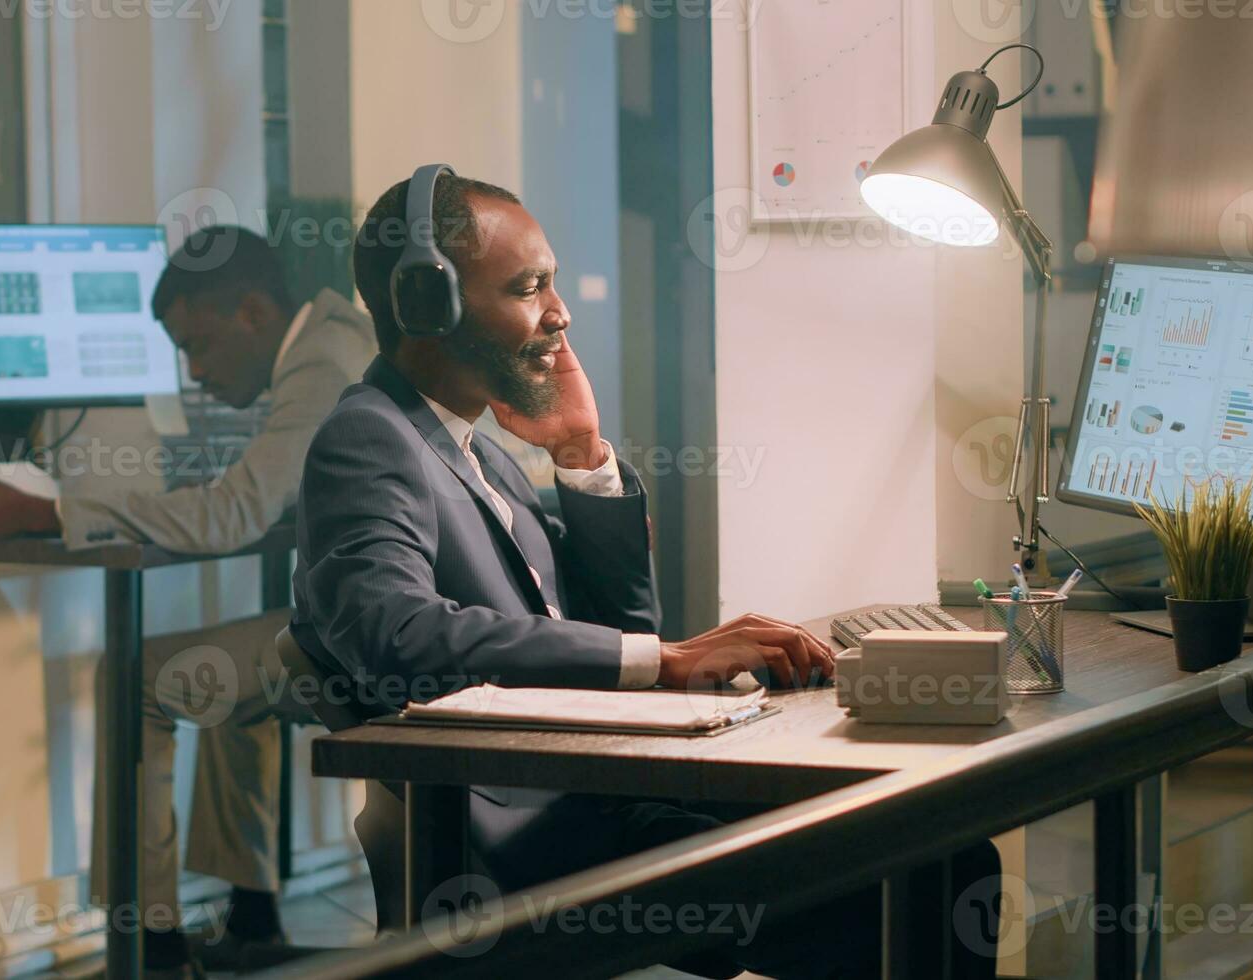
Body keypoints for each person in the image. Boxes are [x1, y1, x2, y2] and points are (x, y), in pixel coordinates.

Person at [289, 169, 999, 977]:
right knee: (933, 873)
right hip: (540, 851)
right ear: (430, 305)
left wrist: (581, 456)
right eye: (530, 288)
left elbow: (624, 619)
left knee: (942, 843)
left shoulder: (472, 447)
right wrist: (666, 660)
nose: (560, 314)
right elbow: (396, 633)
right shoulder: (369, 438)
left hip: (601, 793)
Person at [0, 226, 377, 978]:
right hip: (392, 620)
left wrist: (46, 512)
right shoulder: (345, 337)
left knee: (138, 675)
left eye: (199, 345)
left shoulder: (317, 365)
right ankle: (251, 918)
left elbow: (231, 518)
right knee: (231, 677)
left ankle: (150, 944)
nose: (195, 371)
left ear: (252, 313)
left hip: (377, 637)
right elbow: (265, 498)